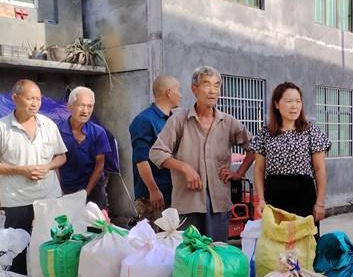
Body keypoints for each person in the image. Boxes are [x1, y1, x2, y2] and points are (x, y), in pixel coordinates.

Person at [149, 66, 255, 241]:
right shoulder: (179, 120)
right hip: (187, 203)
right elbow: (157, 152)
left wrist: (239, 173)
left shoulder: (228, 122)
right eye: (206, 84)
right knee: (189, 257)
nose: (212, 91)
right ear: (194, 89)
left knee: (217, 255)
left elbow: (255, 148)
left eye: (216, 85)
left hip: (218, 203)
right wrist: (184, 168)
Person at [0, 79, 67, 275]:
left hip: (48, 196)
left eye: (38, 99)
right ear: (15, 98)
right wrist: (21, 170)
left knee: (51, 242)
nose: (35, 103)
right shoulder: (0, 127)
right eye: (30, 98)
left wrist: (47, 166)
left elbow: (62, 156)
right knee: (17, 248)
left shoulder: (48, 125)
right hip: (17, 198)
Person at [251, 82, 331, 225]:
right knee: (276, 242)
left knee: (304, 242)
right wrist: (261, 199)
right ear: (276, 104)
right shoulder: (265, 133)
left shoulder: (311, 131)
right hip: (274, 194)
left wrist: (320, 203)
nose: (294, 106)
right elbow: (259, 169)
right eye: (289, 101)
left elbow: (320, 169)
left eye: (298, 101)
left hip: (303, 194)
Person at [129, 75, 182, 225]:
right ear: (169, 92)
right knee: (153, 241)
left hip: (171, 191)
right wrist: (153, 189)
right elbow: (141, 159)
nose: (181, 95)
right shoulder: (144, 120)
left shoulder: (173, 120)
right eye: (178, 90)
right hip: (152, 195)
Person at [56, 86, 112, 209]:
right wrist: (59, 190)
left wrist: (86, 192)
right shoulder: (57, 130)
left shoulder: (98, 132)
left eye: (89, 106)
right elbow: (55, 164)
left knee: (95, 225)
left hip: (93, 189)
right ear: (70, 106)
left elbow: (99, 166)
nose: (85, 111)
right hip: (66, 188)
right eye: (81, 105)